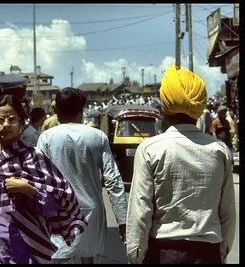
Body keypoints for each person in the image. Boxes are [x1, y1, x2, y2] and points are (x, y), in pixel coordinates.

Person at [126, 65, 236, 264]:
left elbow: (140, 211)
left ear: (164, 106)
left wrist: (135, 254)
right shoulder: (219, 150)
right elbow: (227, 212)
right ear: (199, 107)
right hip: (208, 253)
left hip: (163, 252)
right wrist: (222, 251)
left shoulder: (151, 149)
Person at [0, 94, 88, 264]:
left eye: (12, 119)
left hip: (30, 238)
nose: (5, 125)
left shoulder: (34, 156)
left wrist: (28, 188)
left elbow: (60, 197)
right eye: (0, 120)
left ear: (22, 124)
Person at [36, 87, 127, 264]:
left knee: (59, 258)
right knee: (90, 260)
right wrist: (122, 219)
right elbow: (113, 180)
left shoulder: (46, 137)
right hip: (92, 212)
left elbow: (40, 180)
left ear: (57, 112)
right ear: (81, 111)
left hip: (59, 212)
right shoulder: (98, 136)